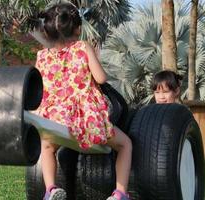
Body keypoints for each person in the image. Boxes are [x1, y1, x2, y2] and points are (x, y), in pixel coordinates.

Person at [32, 3, 132, 200]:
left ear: (49, 32)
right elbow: (101, 78)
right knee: (125, 144)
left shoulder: (42, 56)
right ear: (78, 29)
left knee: (47, 146)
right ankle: (120, 193)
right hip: (86, 120)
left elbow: (37, 87)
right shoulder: (82, 47)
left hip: (55, 119)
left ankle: (50, 189)